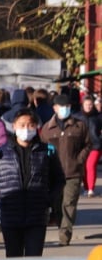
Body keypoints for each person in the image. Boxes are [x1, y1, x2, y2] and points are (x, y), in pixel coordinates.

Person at [0, 108, 65, 257]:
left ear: (36, 126)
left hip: (36, 216)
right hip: (11, 216)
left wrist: (48, 200)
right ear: (13, 126)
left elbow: (59, 180)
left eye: (31, 125)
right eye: (22, 125)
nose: (26, 129)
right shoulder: (1, 152)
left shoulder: (46, 151)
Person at [41, 93, 91, 246]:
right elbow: (42, 148)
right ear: (55, 108)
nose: (65, 109)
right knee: (57, 205)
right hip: (53, 174)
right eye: (62, 107)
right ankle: (60, 225)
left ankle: (64, 236)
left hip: (72, 172)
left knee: (68, 204)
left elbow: (88, 145)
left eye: (68, 107)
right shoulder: (47, 129)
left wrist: (79, 160)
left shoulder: (79, 125)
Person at [76, 94, 101, 197]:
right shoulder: (77, 116)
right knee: (83, 167)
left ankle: (91, 189)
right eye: (87, 104)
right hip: (81, 146)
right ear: (83, 104)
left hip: (95, 145)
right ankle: (86, 188)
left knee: (90, 165)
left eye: (90, 104)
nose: (89, 106)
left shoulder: (98, 117)